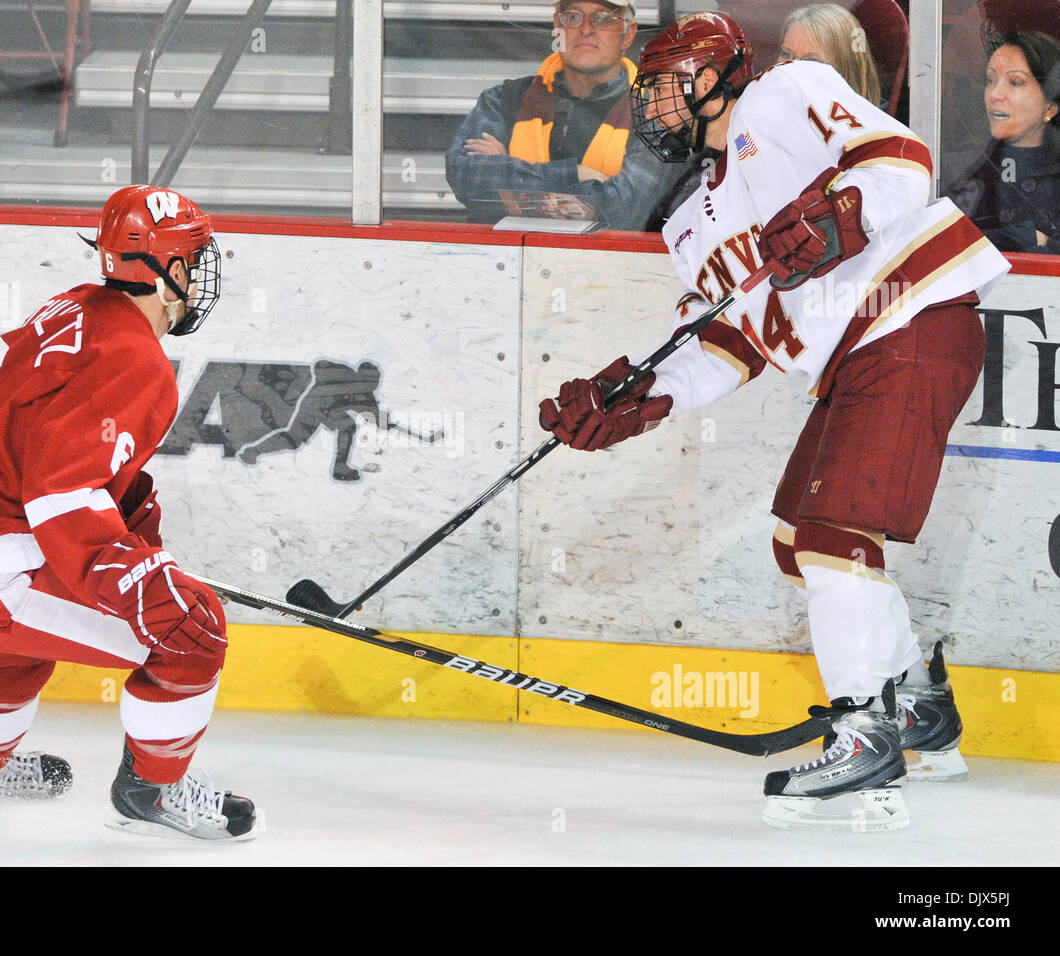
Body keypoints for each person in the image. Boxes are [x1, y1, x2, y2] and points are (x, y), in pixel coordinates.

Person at [537, 12, 1010, 830]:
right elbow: (730, 340)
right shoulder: (689, 223)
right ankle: (919, 713)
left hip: (912, 317)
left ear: (714, 75)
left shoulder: (785, 94)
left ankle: (865, 735)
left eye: (663, 86)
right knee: (799, 540)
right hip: (855, 362)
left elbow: (902, 161)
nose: (652, 105)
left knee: (832, 539)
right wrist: (643, 396)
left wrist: (843, 212)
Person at [0, 184, 257, 842]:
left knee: (6, 657)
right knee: (191, 633)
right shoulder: (136, 360)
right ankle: (153, 790)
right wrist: (134, 581)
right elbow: (63, 494)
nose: (200, 277)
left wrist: (139, 550)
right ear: (166, 269)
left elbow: (66, 459)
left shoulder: (77, 307)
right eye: (193, 261)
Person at [445, 0, 694, 229]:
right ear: (557, 27)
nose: (585, 29)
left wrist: (509, 173)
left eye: (603, 18)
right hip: (509, 267)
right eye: (572, 17)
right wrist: (576, 174)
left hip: (610, 272)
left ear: (628, 34)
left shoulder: (659, 112)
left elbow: (625, 210)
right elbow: (468, 178)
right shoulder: (504, 99)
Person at [948, 30, 1060, 255]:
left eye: (1015, 82)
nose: (995, 94)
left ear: (1050, 107)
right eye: (990, 80)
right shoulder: (957, 166)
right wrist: (1026, 237)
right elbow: (938, 245)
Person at [777, 3, 882, 106]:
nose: (792, 69)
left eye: (811, 61)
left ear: (847, 69)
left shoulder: (871, 122)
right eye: (787, 55)